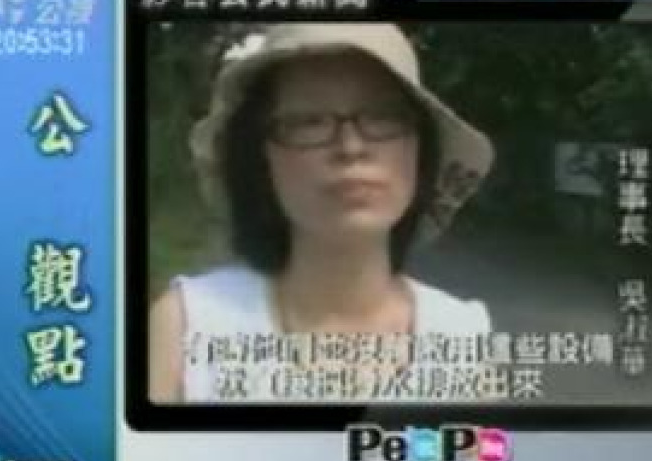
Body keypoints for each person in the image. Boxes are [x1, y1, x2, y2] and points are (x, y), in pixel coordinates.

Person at [149, 23, 495, 403]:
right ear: (261, 158)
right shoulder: (188, 325)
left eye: (383, 116)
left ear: (419, 149)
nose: (351, 147)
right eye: (308, 122)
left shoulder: (462, 335)